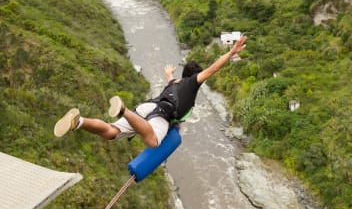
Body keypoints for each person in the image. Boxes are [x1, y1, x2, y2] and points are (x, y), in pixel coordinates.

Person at [54, 36, 247, 148]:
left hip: (147, 107)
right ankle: (123, 110)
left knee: (111, 132)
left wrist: (169, 73)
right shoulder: (192, 83)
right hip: (161, 114)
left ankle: (78, 122)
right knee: (153, 141)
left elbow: (170, 80)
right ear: (196, 76)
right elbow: (213, 68)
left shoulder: (174, 82)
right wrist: (230, 53)